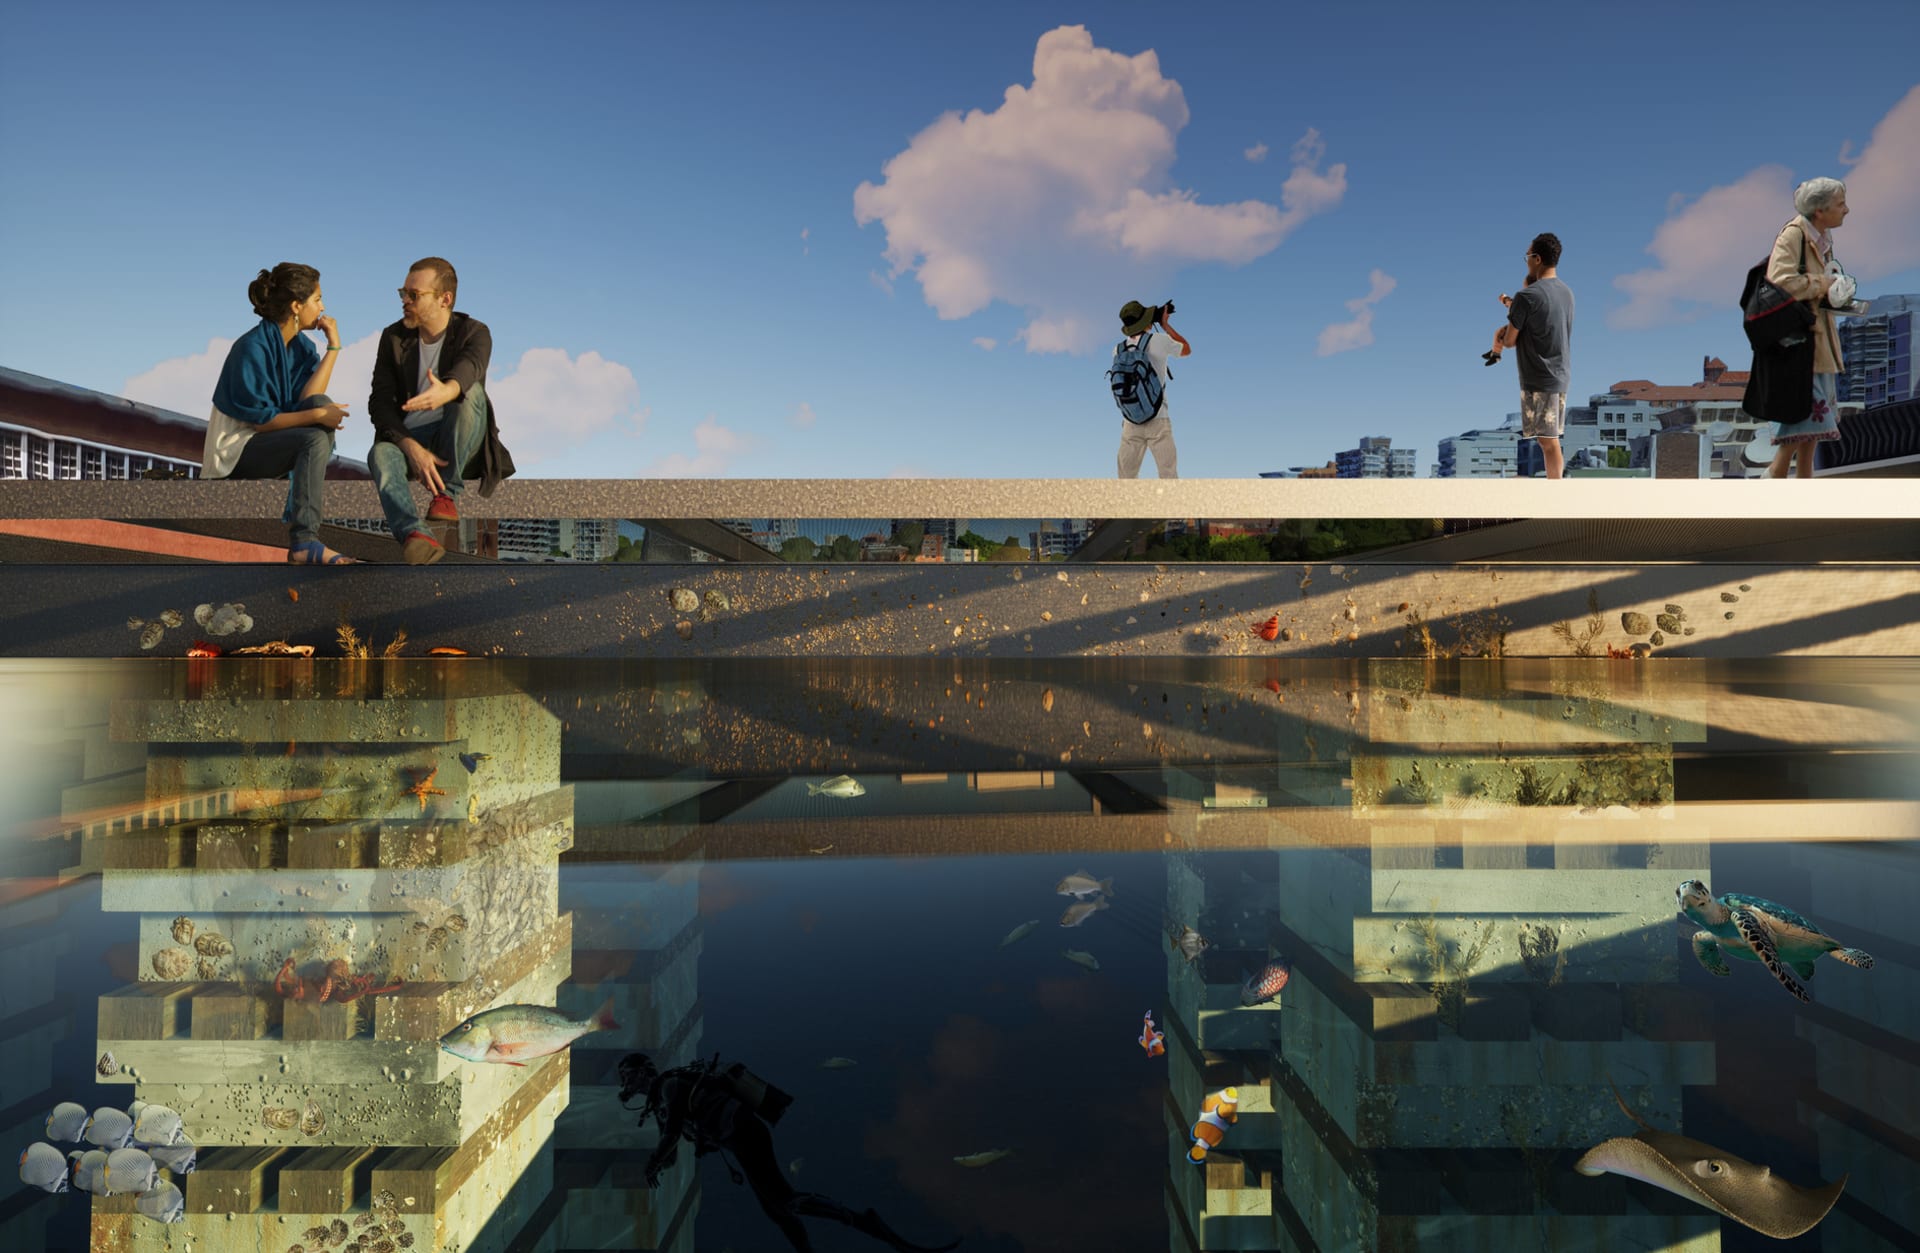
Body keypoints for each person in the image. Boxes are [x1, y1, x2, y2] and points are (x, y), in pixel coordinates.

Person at [619, 1051, 960, 1253]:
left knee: (783, 1201)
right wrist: (659, 1165)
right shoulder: (662, 1105)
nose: (627, 1086)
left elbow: (673, 1134)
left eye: (627, 1077)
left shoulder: (670, 1086)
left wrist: (653, 1162)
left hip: (744, 1132)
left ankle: (863, 1221)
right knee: (777, 1212)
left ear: (640, 1072)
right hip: (739, 1138)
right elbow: (674, 1148)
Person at [202, 263, 355, 564]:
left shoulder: (298, 347)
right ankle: (303, 541)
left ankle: (306, 537)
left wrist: (334, 348)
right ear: (297, 306)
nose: (323, 307)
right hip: (234, 452)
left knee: (319, 405)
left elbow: (308, 400)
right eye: (317, 299)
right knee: (314, 431)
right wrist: (319, 416)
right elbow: (261, 423)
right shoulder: (252, 348)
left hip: (270, 442)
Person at [367, 257, 513, 565]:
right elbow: (379, 403)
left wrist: (446, 390)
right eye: (403, 293)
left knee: (471, 393)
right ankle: (414, 535)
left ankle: (446, 493)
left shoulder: (474, 331)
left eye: (414, 295)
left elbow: (471, 366)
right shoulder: (393, 337)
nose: (405, 301)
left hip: (460, 439)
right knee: (380, 454)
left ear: (444, 299)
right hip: (411, 439)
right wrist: (410, 448)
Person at [1762, 178, 1852, 478]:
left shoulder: (1821, 238)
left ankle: (1803, 484)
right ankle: (1774, 479)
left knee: (1813, 429)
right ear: (1820, 210)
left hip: (1820, 345)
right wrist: (1822, 284)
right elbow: (1780, 281)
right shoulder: (1794, 237)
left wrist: (1836, 293)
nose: (1846, 210)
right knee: (1803, 423)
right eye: (1840, 204)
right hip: (1800, 347)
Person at [1486, 234, 1574, 479]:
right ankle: (1554, 491)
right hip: (1559, 372)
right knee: (1548, 439)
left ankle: (1555, 495)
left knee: (1548, 441)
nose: (1526, 262)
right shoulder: (1567, 293)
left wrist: (1503, 335)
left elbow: (1512, 340)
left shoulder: (1527, 296)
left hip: (1538, 375)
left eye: (1527, 257)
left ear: (1537, 258)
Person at [1113, 299, 1191, 479]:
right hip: (1158, 419)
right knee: (1168, 476)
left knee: (1125, 479)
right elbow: (1186, 349)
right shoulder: (1160, 341)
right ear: (1145, 321)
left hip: (1130, 422)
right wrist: (1165, 325)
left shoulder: (1118, 350)